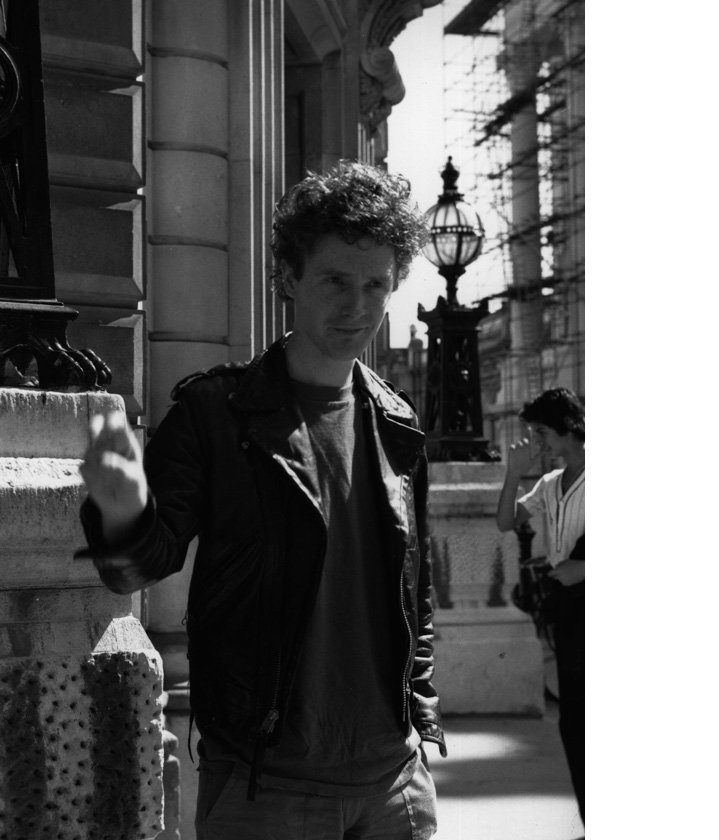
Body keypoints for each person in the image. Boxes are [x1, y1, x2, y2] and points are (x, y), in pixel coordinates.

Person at [77, 160, 445, 840]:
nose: (357, 305)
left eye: (375, 285)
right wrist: (120, 507)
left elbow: (414, 593)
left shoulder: (397, 423)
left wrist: (420, 715)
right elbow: (133, 569)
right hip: (266, 785)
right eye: (335, 280)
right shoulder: (217, 412)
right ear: (289, 278)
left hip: (395, 785)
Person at [495, 387, 585, 822]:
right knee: (574, 720)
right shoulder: (550, 484)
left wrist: (585, 568)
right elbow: (506, 521)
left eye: (542, 432)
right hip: (567, 607)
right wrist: (514, 474)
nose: (537, 442)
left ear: (568, 428)